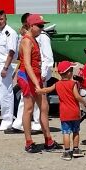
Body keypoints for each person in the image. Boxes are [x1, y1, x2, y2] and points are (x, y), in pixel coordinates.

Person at [18, 15, 56, 153]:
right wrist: (37, 84)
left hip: (36, 75)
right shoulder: (27, 41)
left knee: (44, 107)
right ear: (31, 26)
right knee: (28, 108)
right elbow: (27, 65)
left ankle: (48, 140)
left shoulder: (34, 39)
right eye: (39, 26)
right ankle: (29, 142)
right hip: (28, 77)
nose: (42, 28)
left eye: (42, 26)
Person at [37, 61, 86, 160]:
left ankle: (67, 152)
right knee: (76, 132)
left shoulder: (57, 84)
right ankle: (76, 150)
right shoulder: (73, 84)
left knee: (66, 132)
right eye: (71, 70)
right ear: (68, 73)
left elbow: (47, 90)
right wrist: (84, 103)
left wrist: (40, 90)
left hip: (64, 113)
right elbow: (77, 96)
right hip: (75, 112)